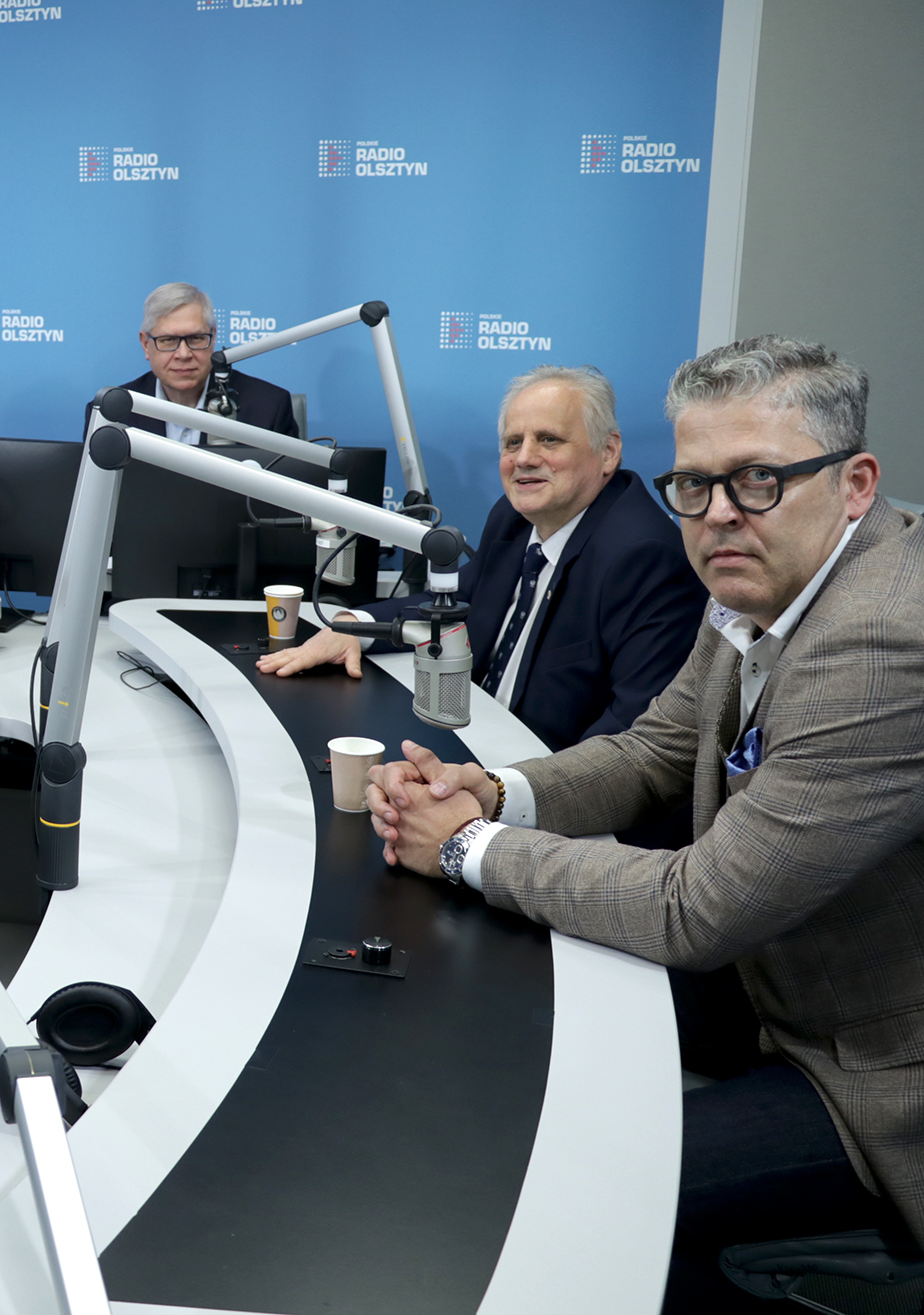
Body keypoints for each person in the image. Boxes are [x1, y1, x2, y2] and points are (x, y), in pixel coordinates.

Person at [361, 337, 924, 1311]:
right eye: (694, 485)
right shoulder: (756, 573)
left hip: (872, 1064)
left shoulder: (878, 637)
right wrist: (490, 792)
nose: (717, 515)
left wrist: (459, 845)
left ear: (855, 483)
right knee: (513, 1022)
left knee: (583, 1192)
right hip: (772, 977)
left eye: (757, 479)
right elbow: (652, 750)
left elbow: (694, 909)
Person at [260, 365, 707, 756]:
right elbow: (459, 601)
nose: (525, 459)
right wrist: (353, 627)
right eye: (513, 442)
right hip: (473, 745)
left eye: (548, 439)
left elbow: (632, 738)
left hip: (549, 787)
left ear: (608, 451)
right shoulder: (513, 518)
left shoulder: (645, 557)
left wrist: (503, 794)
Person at [86, 282, 297, 443]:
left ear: (213, 337)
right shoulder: (113, 413)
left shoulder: (268, 408)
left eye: (196, 338)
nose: (184, 354)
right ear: (145, 344)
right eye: (168, 340)